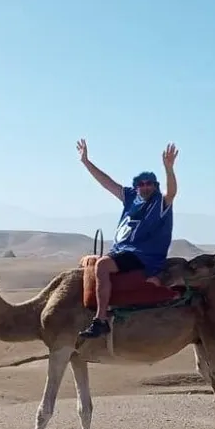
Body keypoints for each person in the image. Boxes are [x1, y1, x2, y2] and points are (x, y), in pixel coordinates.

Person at [76, 138, 179, 339]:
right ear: (137, 187)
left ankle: (101, 319)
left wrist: (169, 169)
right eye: (141, 184)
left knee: (102, 266)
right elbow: (107, 183)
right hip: (122, 251)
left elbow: (172, 192)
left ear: (155, 186)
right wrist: (86, 162)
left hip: (142, 255)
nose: (146, 187)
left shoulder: (160, 202)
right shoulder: (131, 197)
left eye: (150, 184)